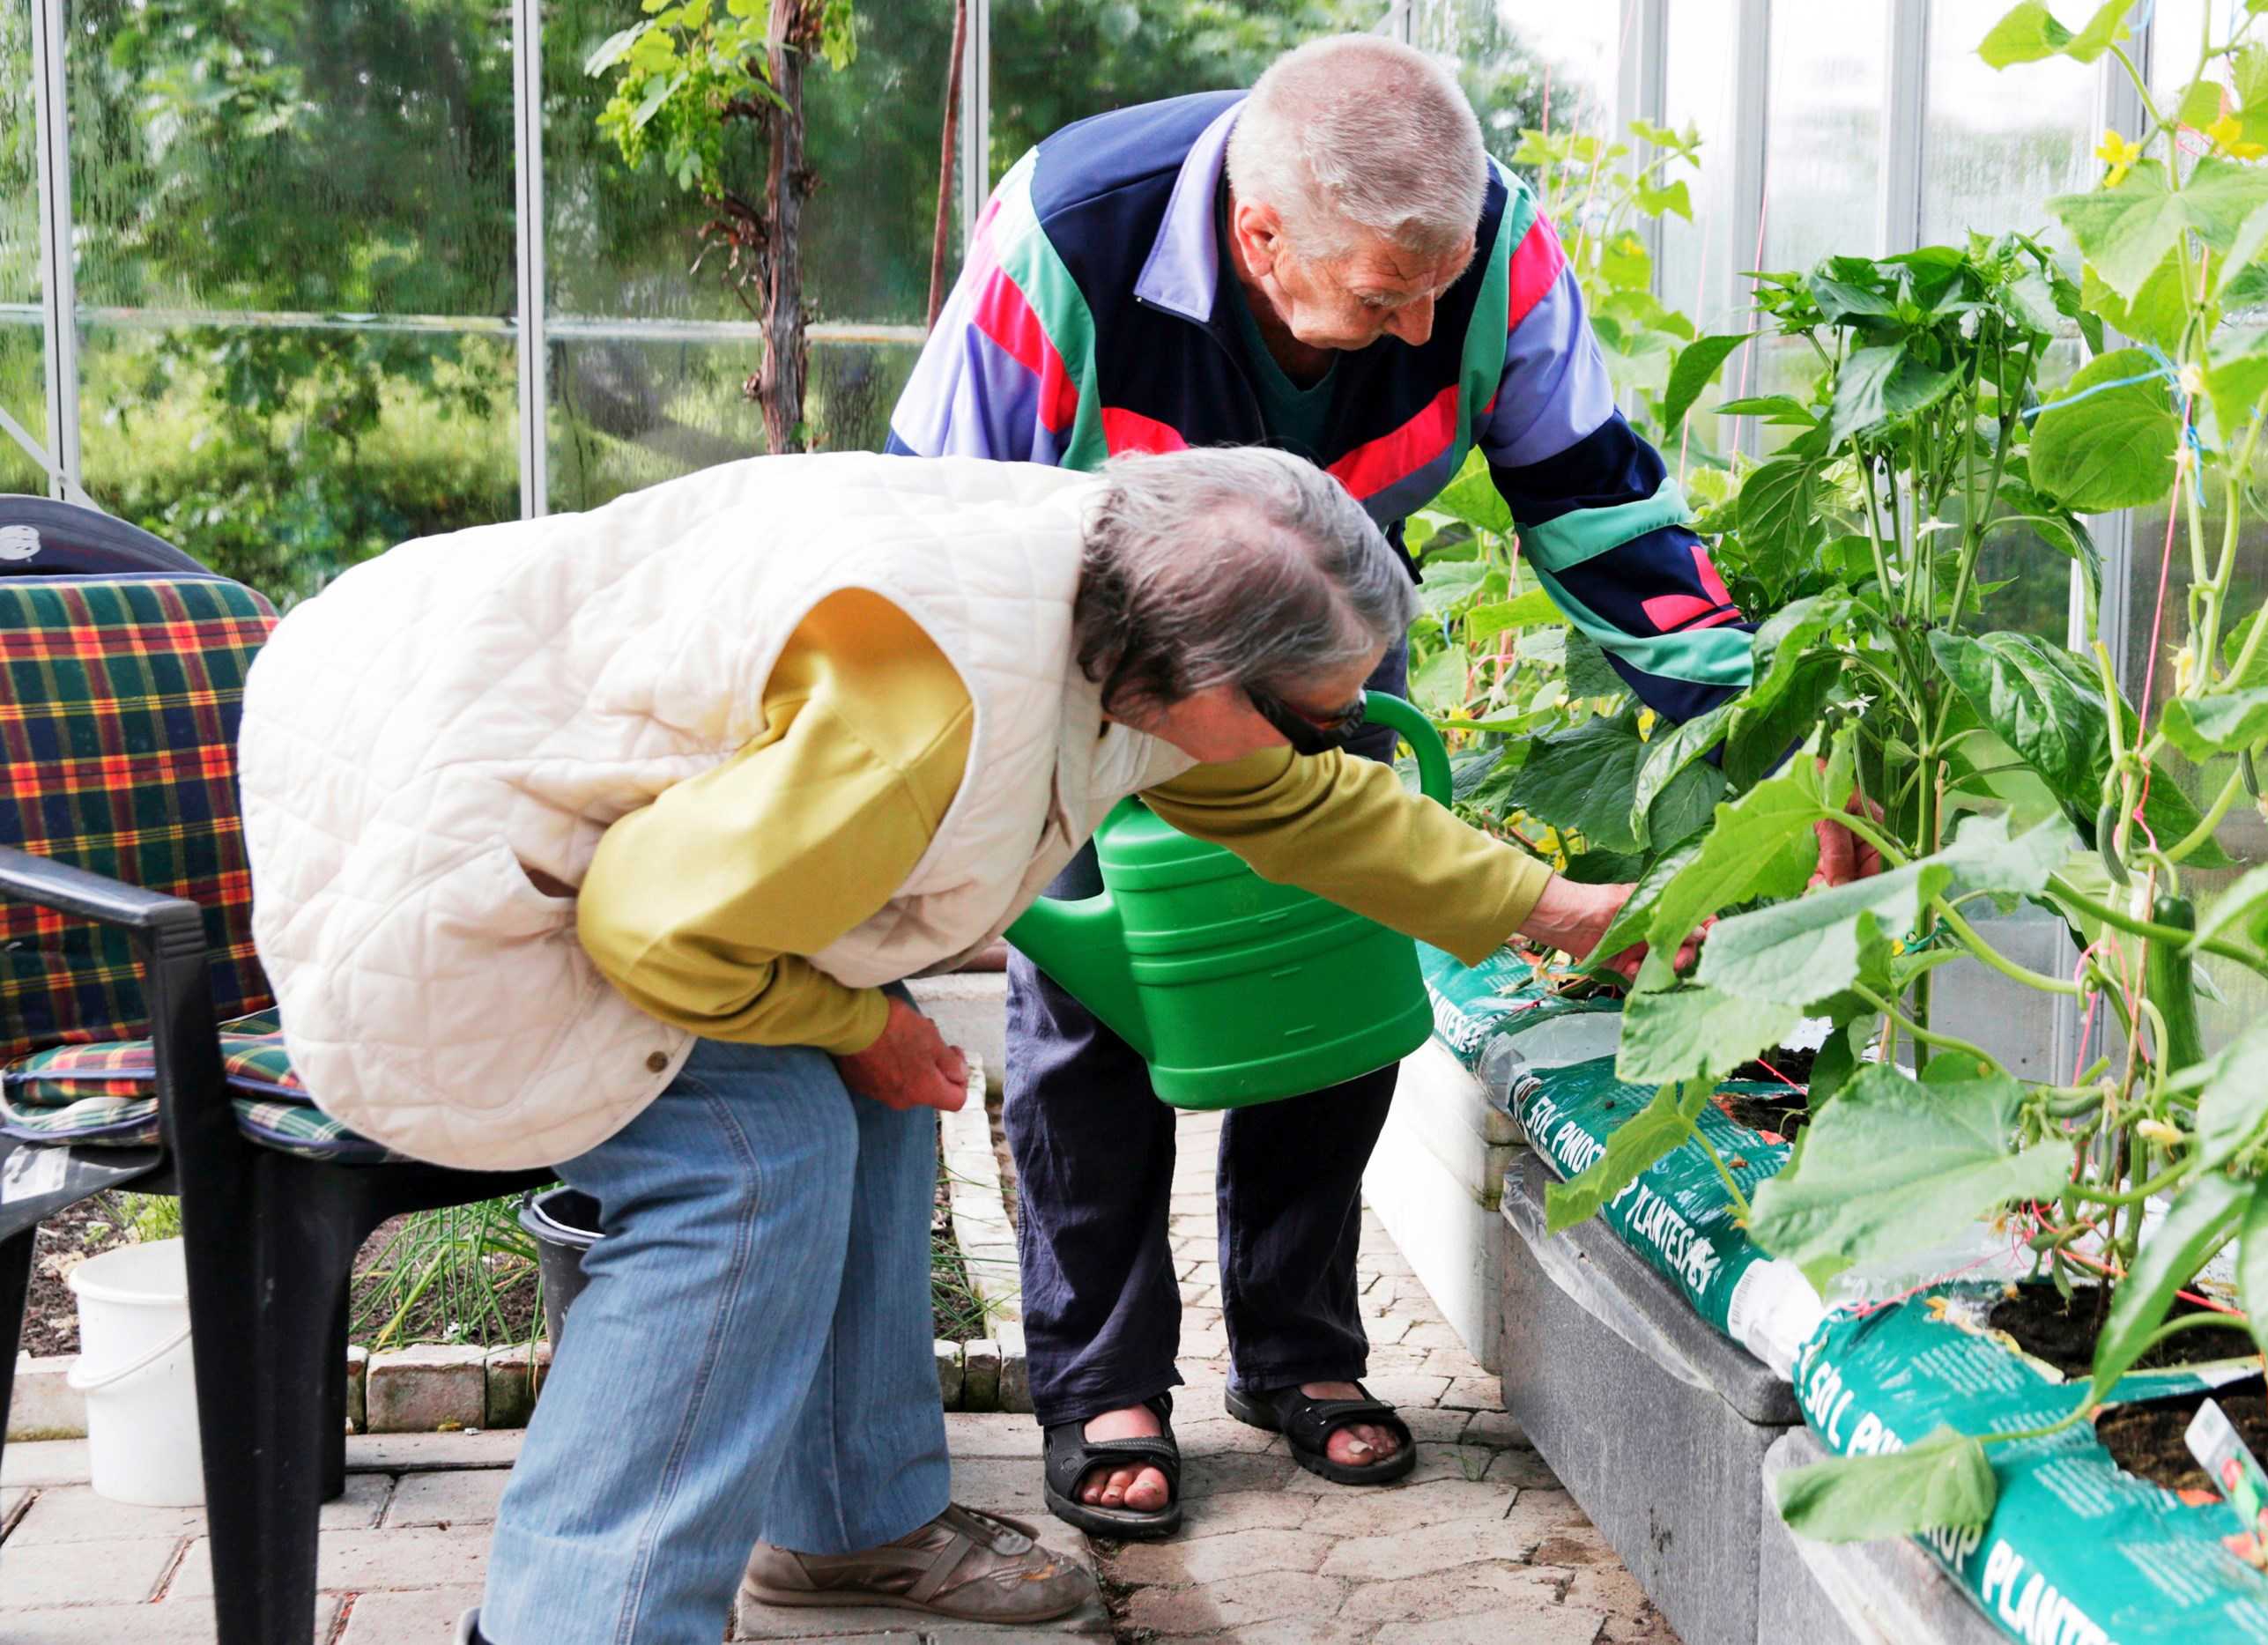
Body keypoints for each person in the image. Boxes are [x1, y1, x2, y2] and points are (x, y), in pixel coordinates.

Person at [236, 445, 1652, 1643]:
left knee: (866, 1103)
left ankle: (849, 1526)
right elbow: (652, 930)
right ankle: (580, 1618)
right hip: (452, 884)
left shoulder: (1107, 603)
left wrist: (1561, 908)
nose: (1323, 739)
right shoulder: (931, 708)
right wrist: (858, 1022)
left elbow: (1304, 807)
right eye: (1308, 712)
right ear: (1201, 675)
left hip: (552, 807)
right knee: (756, 1153)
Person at [886, 33, 1774, 1534]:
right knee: (1097, 997)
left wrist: (1761, 738)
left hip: (1332, 643)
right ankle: (1107, 1378)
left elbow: (1603, 507)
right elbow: (934, 541)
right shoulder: (1069, 237)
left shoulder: (1484, 242)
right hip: (1099, 657)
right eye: (1385, 298)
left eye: (1443, 284)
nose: (1430, 322)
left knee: (1341, 988)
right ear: (1260, 236)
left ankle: (1300, 1352)